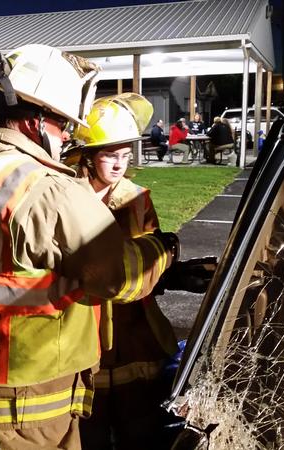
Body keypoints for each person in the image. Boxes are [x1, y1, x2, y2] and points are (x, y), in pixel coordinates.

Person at [0, 44, 178, 450]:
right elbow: (122, 278)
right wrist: (165, 247)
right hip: (23, 399)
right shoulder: (47, 189)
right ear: (38, 120)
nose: (67, 138)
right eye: (65, 127)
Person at [72, 93, 179, 450]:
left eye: (125, 156)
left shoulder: (137, 198)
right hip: (85, 330)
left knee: (139, 426)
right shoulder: (68, 197)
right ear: (87, 156)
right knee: (90, 427)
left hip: (135, 331)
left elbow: (149, 262)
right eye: (109, 156)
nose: (119, 166)